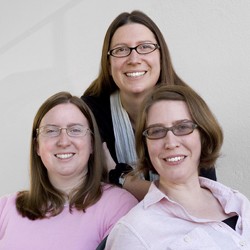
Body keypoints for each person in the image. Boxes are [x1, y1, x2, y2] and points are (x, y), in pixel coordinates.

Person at [81, 10, 216, 201]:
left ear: (161, 56)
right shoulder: (89, 113)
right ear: (108, 63)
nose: (134, 59)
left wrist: (120, 176)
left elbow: (198, 197)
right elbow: (87, 192)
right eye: (121, 50)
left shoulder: (188, 109)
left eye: (145, 47)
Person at [105, 84, 250, 249]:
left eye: (182, 127)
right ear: (145, 145)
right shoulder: (133, 232)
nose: (171, 143)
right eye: (156, 131)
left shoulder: (237, 201)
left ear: (203, 134)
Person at [0, 92, 138, 250]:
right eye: (51, 131)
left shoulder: (118, 206)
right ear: (37, 146)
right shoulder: (5, 208)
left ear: (92, 143)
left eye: (75, 130)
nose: (64, 141)